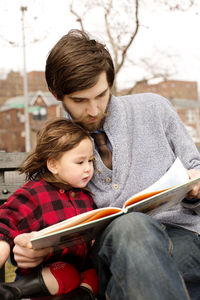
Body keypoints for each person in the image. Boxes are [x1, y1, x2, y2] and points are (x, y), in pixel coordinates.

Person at [12, 29, 200, 300]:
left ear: (110, 83)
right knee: (131, 227)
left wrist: (194, 186)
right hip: (109, 252)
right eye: (79, 100)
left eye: (101, 95)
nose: (93, 110)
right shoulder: (56, 147)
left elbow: (195, 166)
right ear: (56, 94)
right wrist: (32, 245)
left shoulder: (155, 109)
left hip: (183, 239)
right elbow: (43, 214)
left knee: (130, 283)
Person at [0, 118, 98, 300]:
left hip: (77, 278)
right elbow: (5, 220)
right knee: (65, 272)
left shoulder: (86, 198)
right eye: (80, 162)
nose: (88, 169)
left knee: (93, 274)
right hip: (43, 278)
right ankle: (10, 292)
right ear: (53, 165)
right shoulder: (35, 192)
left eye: (91, 161)